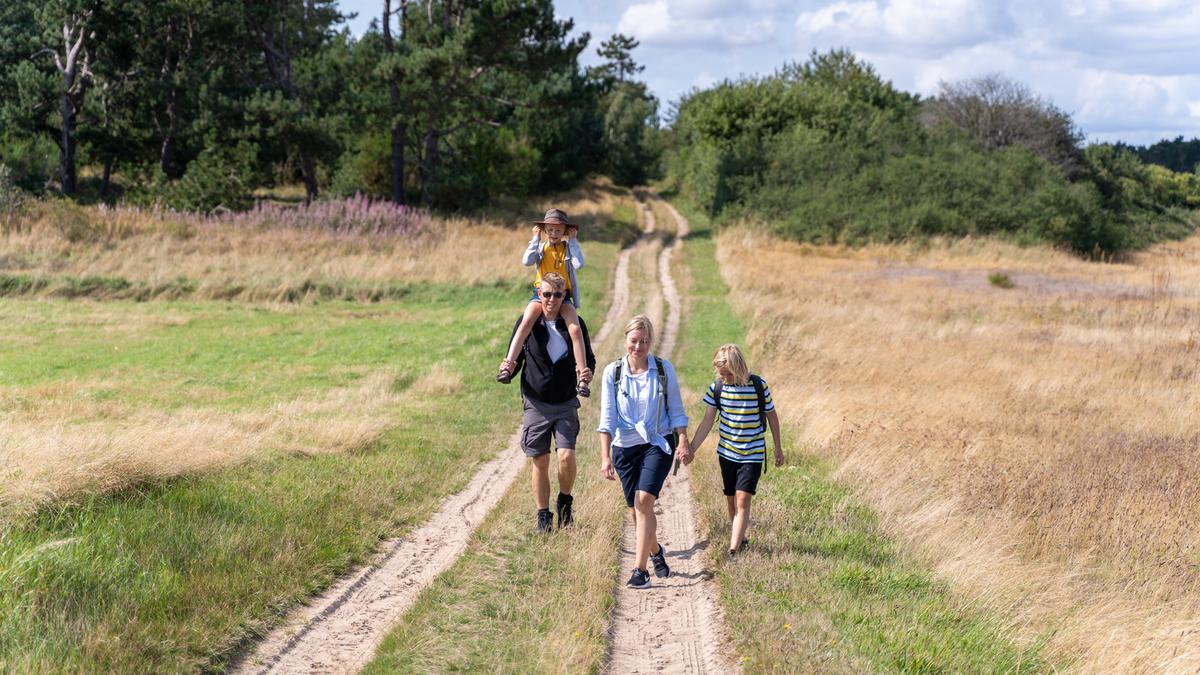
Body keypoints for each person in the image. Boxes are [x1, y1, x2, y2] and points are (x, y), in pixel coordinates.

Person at [598, 315, 691, 589]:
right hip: (624, 448)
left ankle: (640, 572)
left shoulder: (663, 369)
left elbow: (676, 410)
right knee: (635, 512)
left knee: (643, 502)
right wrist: (605, 458)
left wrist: (682, 441)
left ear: (650, 342)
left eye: (644, 342)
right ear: (625, 339)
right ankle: (655, 552)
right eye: (634, 341)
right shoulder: (612, 373)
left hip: (657, 443)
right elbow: (607, 419)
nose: (638, 347)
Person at [507, 272, 595, 533]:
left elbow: (588, 358)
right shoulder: (528, 322)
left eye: (557, 295)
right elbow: (515, 355)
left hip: (566, 401)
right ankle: (543, 517)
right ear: (539, 294)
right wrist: (507, 371)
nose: (551, 300)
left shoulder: (574, 324)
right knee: (541, 460)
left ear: (564, 296)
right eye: (546, 294)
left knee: (566, 456)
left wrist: (587, 372)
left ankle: (565, 502)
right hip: (536, 401)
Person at [690, 344, 783, 560]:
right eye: (721, 374)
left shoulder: (759, 386)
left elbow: (772, 416)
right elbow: (707, 421)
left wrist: (778, 447)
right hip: (727, 453)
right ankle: (740, 538)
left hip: (752, 453)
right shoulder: (717, 388)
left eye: (728, 374)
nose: (724, 378)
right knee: (731, 500)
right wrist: (692, 448)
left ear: (739, 367)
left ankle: (733, 550)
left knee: (743, 500)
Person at [498, 208, 591, 397]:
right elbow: (526, 261)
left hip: (562, 295)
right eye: (550, 230)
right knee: (525, 323)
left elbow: (579, 264)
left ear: (564, 231)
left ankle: (582, 376)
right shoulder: (540, 247)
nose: (554, 234)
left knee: (574, 329)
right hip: (541, 292)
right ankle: (508, 366)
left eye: (558, 230)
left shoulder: (567, 248)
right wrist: (535, 239)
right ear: (544, 230)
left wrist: (573, 241)